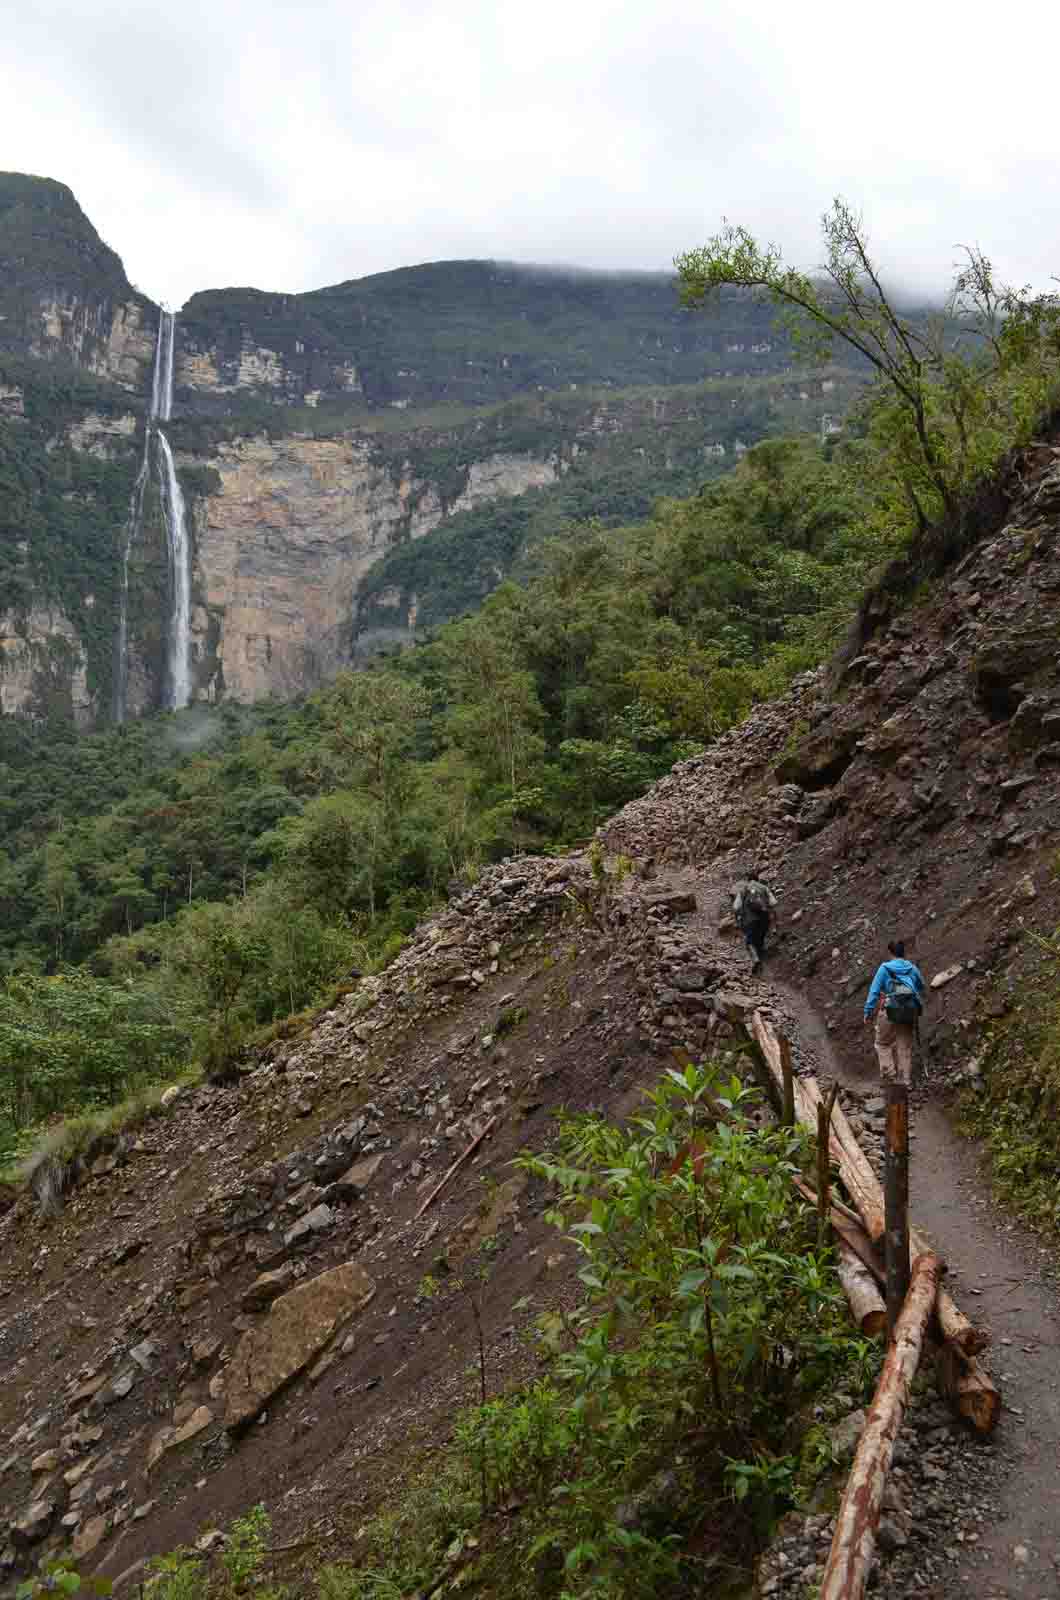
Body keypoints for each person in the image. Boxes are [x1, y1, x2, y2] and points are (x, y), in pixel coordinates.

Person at [863, 940, 925, 1086]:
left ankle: (890, 1078)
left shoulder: (885, 968)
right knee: (904, 1046)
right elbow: (921, 986)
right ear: (904, 953)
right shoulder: (912, 968)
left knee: (882, 1043)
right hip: (909, 1012)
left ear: (890, 953)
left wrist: (868, 1011)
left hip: (889, 1009)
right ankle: (905, 1081)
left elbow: (874, 991)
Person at [731, 867, 777, 975]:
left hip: (750, 920)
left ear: (748, 879)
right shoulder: (764, 888)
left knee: (749, 942)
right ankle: (765, 970)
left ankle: (756, 960)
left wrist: (738, 919)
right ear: (757, 879)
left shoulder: (743, 890)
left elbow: (736, 907)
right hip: (764, 919)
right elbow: (773, 902)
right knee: (760, 939)